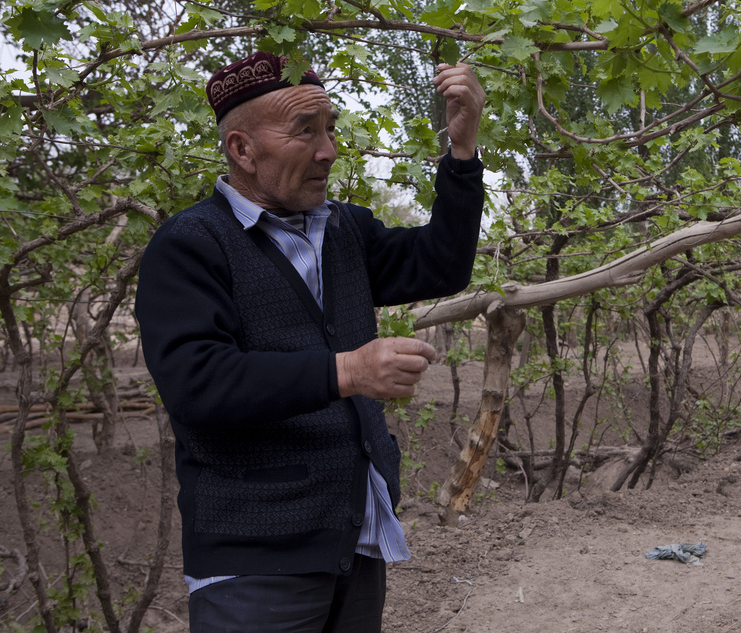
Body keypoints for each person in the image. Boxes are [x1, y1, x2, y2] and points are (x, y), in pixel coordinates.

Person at [135, 51, 486, 632]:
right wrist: (346, 372)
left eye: (330, 129)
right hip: (255, 561)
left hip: (356, 537)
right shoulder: (191, 244)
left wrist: (463, 148)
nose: (328, 150)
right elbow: (197, 383)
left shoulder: (345, 229)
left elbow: (442, 265)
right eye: (305, 132)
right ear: (242, 150)